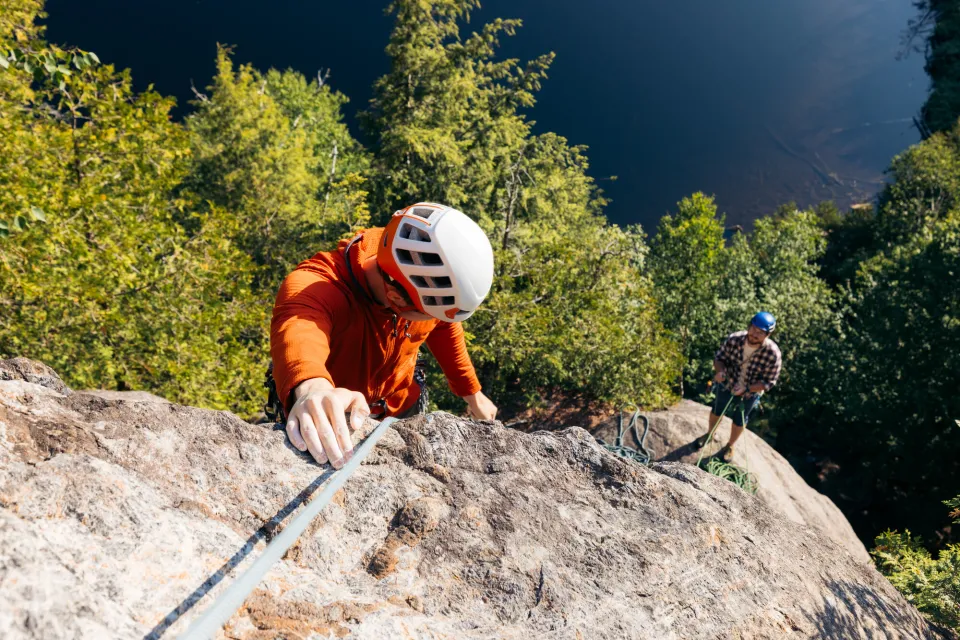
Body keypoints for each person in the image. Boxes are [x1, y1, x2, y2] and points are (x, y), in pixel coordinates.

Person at [270, 202, 498, 468]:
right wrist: (312, 388)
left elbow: (444, 325)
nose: (434, 319)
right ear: (396, 299)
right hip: (334, 416)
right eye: (428, 314)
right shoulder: (314, 288)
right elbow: (300, 330)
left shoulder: (416, 274)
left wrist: (472, 392)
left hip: (400, 403)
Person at [696, 312, 782, 462]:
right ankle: (709, 434)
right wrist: (720, 371)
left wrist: (747, 389)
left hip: (750, 392)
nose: (755, 334)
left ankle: (730, 445)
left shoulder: (772, 353)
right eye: (754, 328)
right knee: (717, 410)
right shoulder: (734, 339)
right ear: (749, 326)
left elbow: (769, 382)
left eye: (761, 332)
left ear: (767, 334)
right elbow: (719, 359)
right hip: (728, 383)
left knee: (739, 419)